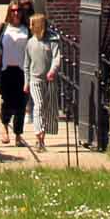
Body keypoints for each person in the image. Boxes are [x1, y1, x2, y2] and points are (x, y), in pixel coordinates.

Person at [0, 0, 31, 146]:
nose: (16, 13)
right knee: (7, 102)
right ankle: (4, 128)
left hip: (22, 70)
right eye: (13, 10)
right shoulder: (3, 28)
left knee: (21, 104)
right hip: (6, 70)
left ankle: (18, 135)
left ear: (22, 13)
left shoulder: (27, 29)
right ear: (9, 12)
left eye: (18, 11)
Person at [25, 12, 62, 152]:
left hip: (49, 80)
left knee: (47, 109)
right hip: (35, 79)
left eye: (32, 24)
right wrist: (26, 82)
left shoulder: (51, 41)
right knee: (38, 105)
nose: (29, 26)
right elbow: (26, 64)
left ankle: (41, 139)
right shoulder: (30, 43)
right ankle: (38, 134)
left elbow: (56, 58)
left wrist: (52, 70)